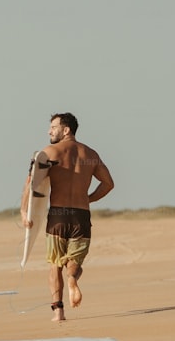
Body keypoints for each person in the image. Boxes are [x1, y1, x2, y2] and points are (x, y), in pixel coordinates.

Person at [21, 113, 114, 321]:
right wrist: (88, 199)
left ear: (66, 130)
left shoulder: (49, 153)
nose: (49, 131)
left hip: (58, 216)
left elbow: (31, 183)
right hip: (81, 216)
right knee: (75, 262)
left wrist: (24, 211)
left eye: (53, 127)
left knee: (54, 264)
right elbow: (108, 184)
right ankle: (72, 278)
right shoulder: (90, 154)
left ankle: (59, 312)